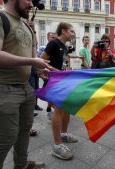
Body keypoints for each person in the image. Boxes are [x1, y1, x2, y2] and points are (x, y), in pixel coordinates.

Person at [0, 0, 52, 168]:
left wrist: (41, 68)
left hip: (24, 87)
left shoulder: (26, 26)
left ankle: (21, 165)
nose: (31, 4)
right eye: (29, 0)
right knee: (5, 138)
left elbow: (31, 57)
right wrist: (31, 60)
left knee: (24, 130)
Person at [40, 22, 78, 160]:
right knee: (59, 110)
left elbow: (62, 62)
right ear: (63, 31)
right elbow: (41, 61)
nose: (73, 34)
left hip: (62, 80)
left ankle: (63, 134)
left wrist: (65, 71)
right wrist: (53, 71)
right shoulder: (53, 44)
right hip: (54, 81)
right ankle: (57, 146)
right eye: (71, 31)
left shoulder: (63, 46)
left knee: (66, 107)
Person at [36, 32, 57, 117]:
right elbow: (38, 60)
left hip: (55, 73)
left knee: (52, 92)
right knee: (48, 92)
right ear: (48, 38)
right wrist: (41, 72)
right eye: (52, 37)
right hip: (47, 74)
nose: (54, 39)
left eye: (55, 38)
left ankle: (49, 108)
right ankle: (53, 110)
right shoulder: (43, 48)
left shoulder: (58, 48)